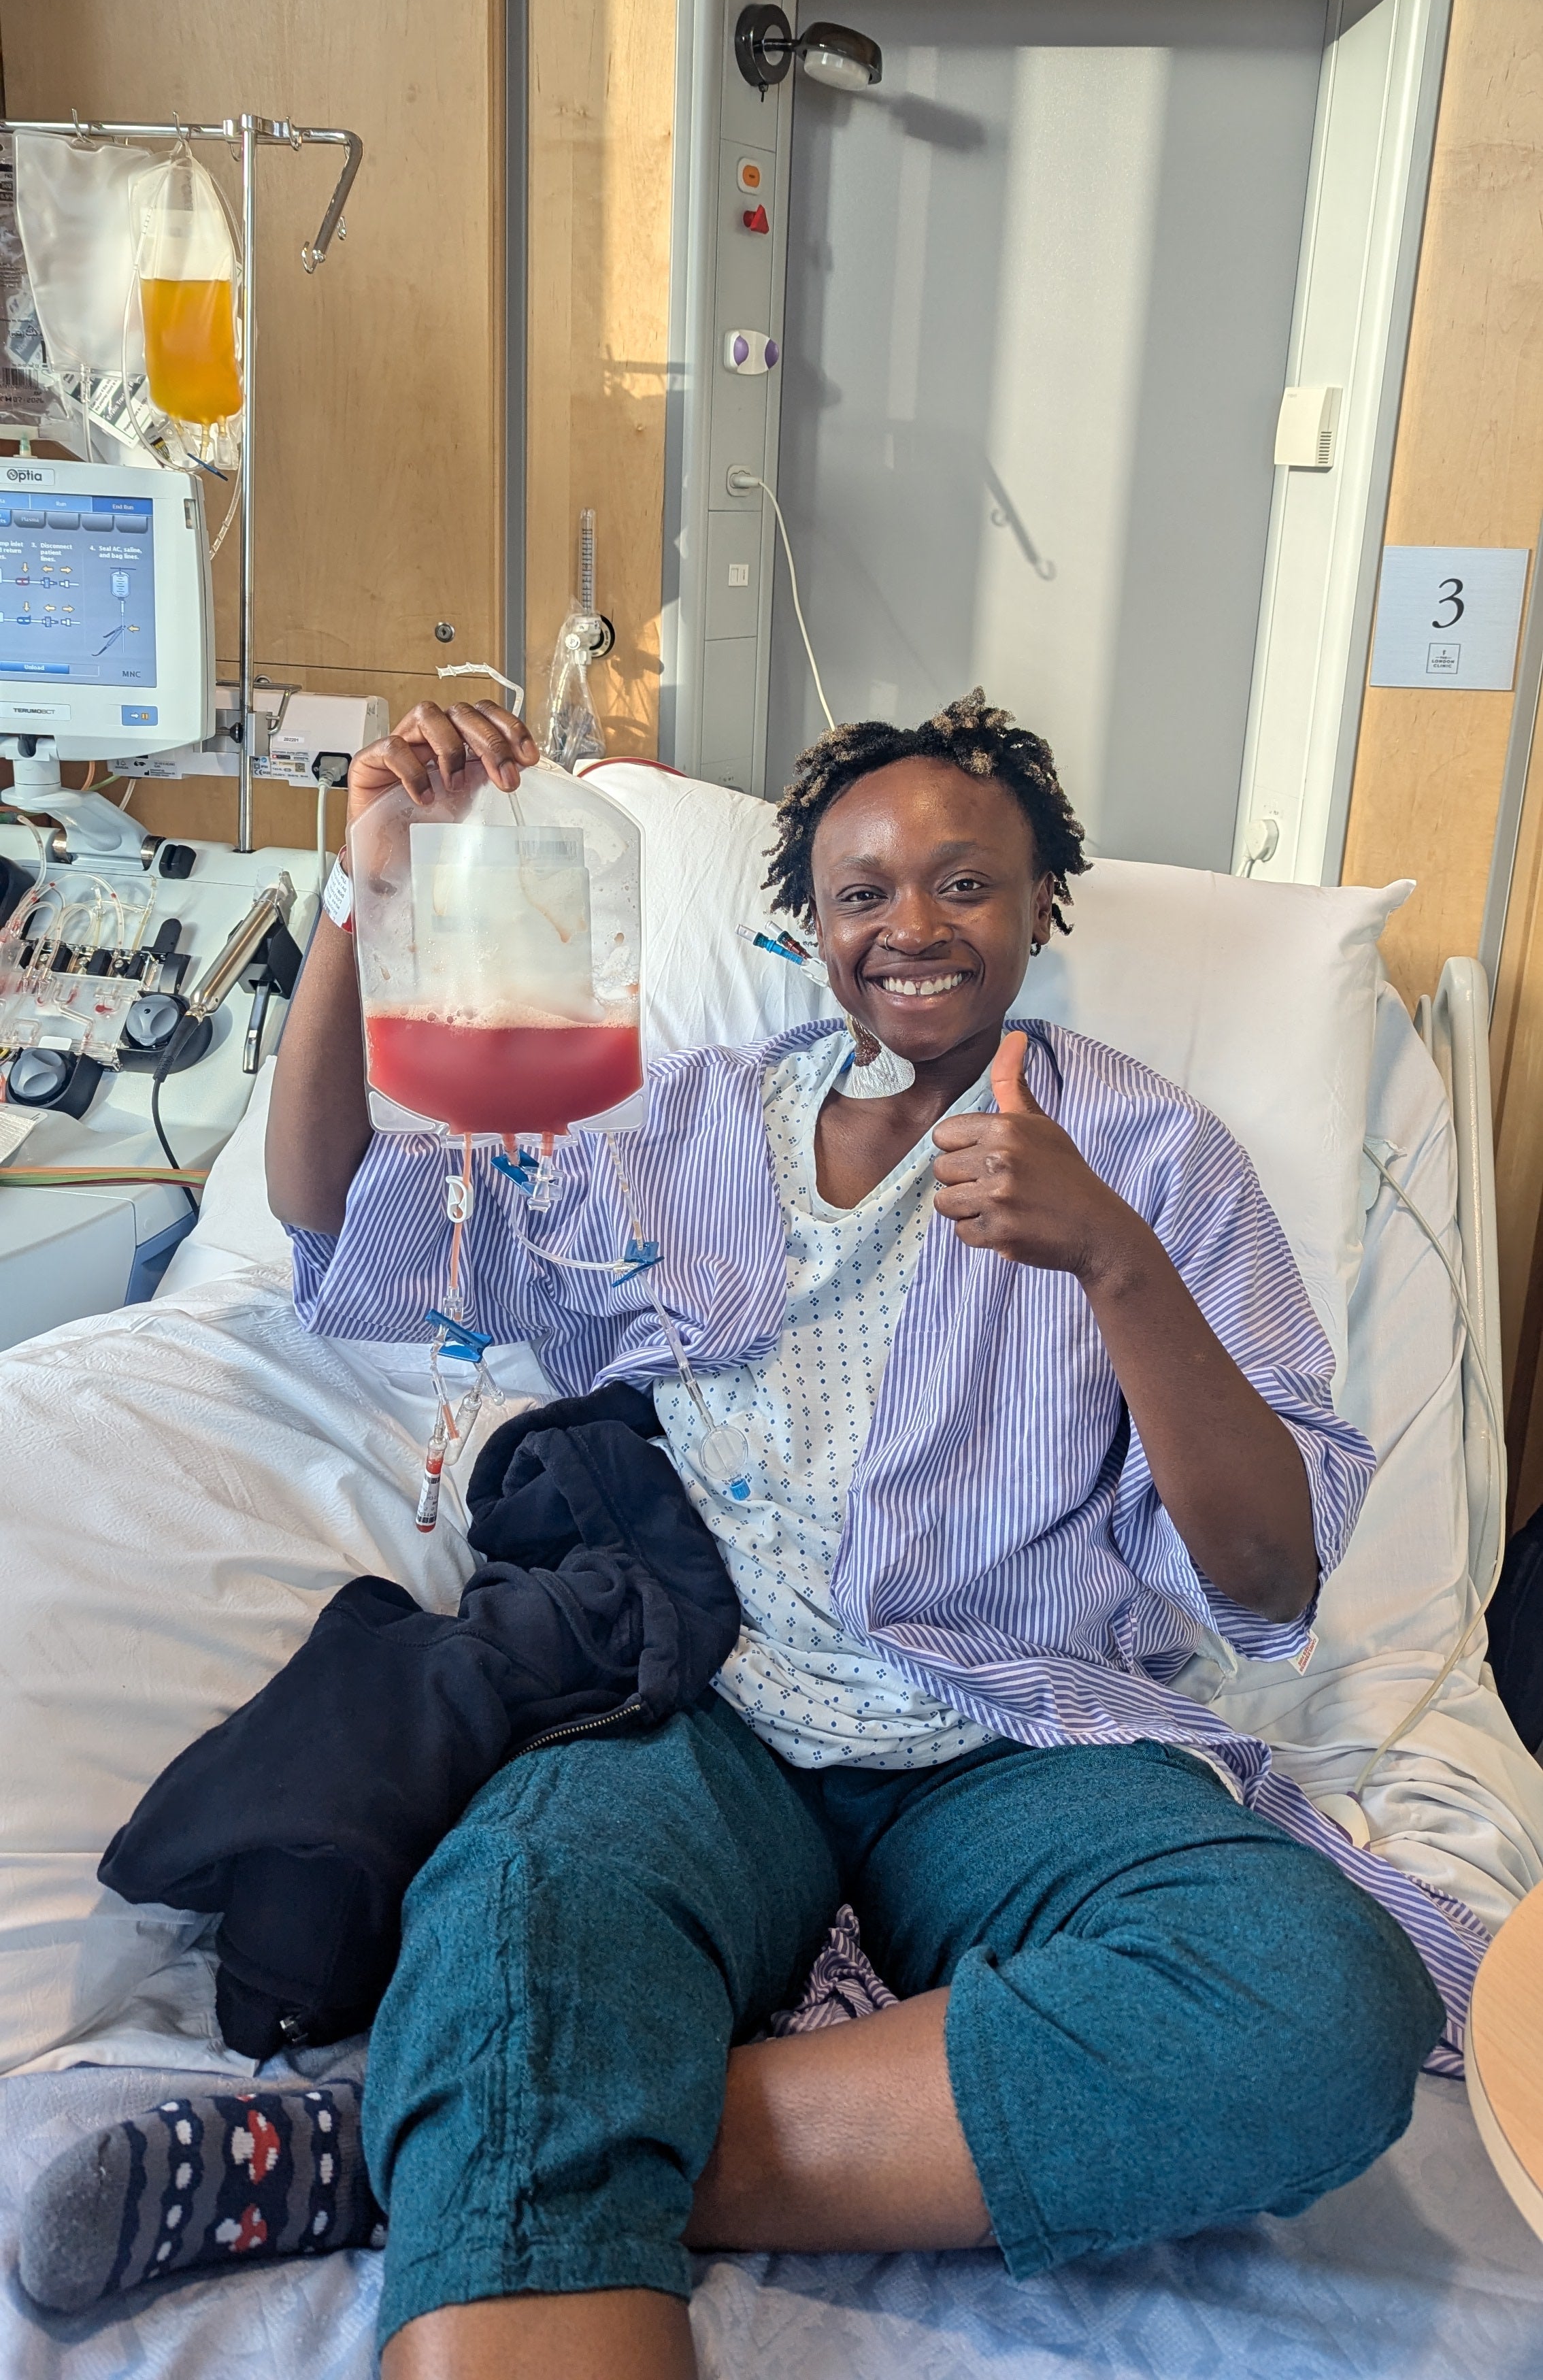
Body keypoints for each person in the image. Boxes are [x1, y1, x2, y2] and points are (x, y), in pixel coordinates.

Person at [268, 688, 1448, 2380]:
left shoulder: (1160, 1162)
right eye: (859, 893)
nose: (910, 926)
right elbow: (350, 1229)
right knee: (521, 1900)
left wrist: (1115, 1260)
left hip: (1012, 1739)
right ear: (805, 926)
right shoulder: (684, 1126)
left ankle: (515, 2144)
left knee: (1323, 2008)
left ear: (1044, 903)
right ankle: (526, 2131)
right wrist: (353, 892)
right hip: (711, 1715)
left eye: (965, 884)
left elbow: (1269, 1580)